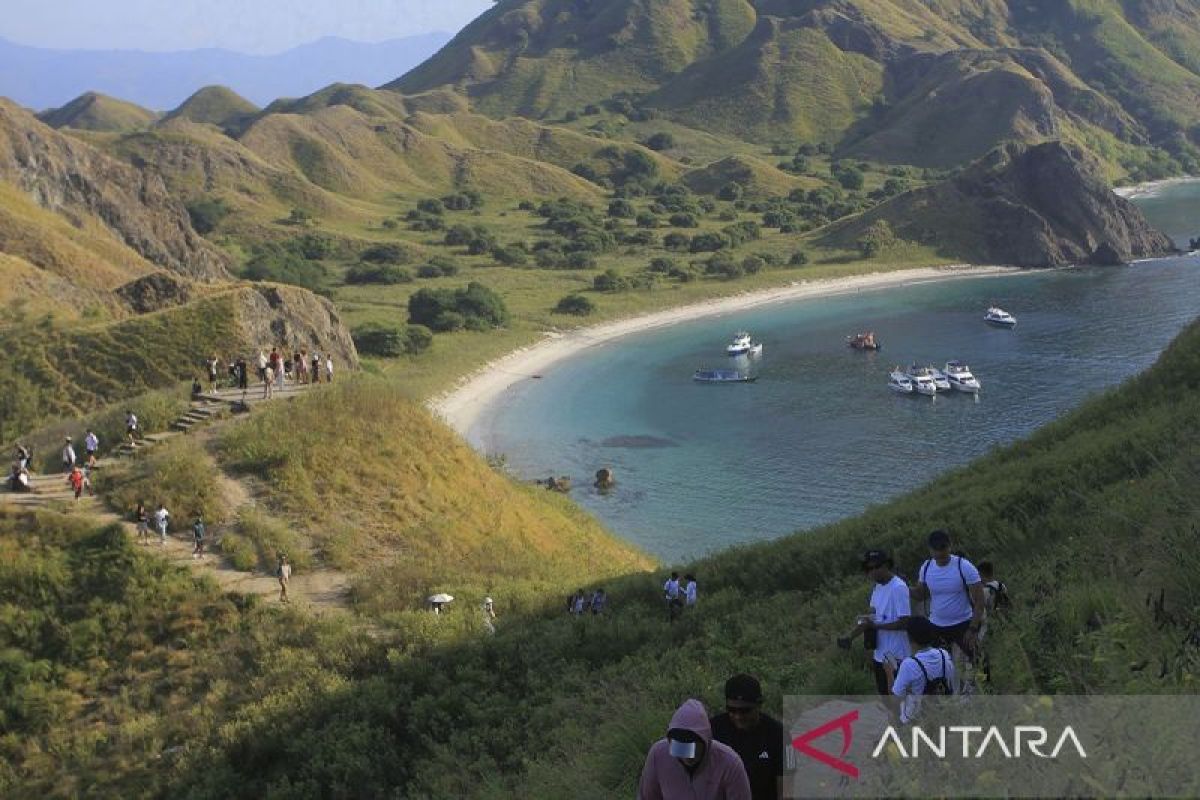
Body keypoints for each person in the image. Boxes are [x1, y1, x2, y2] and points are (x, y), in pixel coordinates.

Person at [638, 698, 751, 800]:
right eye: (680, 748)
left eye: (691, 747)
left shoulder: (730, 763)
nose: (686, 755)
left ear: (705, 741)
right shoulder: (658, 755)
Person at [839, 549, 911, 697]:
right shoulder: (878, 587)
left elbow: (905, 622)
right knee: (884, 694)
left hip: (896, 655)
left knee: (897, 698)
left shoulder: (898, 587)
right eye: (868, 568)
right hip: (880, 654)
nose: (872, 572)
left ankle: (901, 720)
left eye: (876, 567)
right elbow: (874, 616)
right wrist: (851, 636)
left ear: (886, 565)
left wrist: (875, 625)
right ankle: (892, 720)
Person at [910, 529, 985, 662]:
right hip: (936, 626)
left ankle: (984, 682)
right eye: (936, 550)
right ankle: (948, 683)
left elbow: (980, 601)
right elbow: (920, 595)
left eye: (943, 548)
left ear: (950, 546)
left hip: (963, 624)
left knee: (978, 660)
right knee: (938, 665)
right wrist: (904, 587)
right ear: (930, 550)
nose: (940, 552)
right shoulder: (926, 567)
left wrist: (973, 629)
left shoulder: (964, 566)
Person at [710, 674, 788, 800]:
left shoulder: (780, 735)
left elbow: (786, 792)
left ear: (759, 705)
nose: (738, 716)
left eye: (745, 710)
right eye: (731, 710)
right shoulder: (713, 730)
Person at [892, 617, 955, 725]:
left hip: (916, 720)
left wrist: (889, 672)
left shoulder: (909, 664)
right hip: (942, 714)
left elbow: (894, 700)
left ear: (909, 638)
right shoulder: (943, 654)